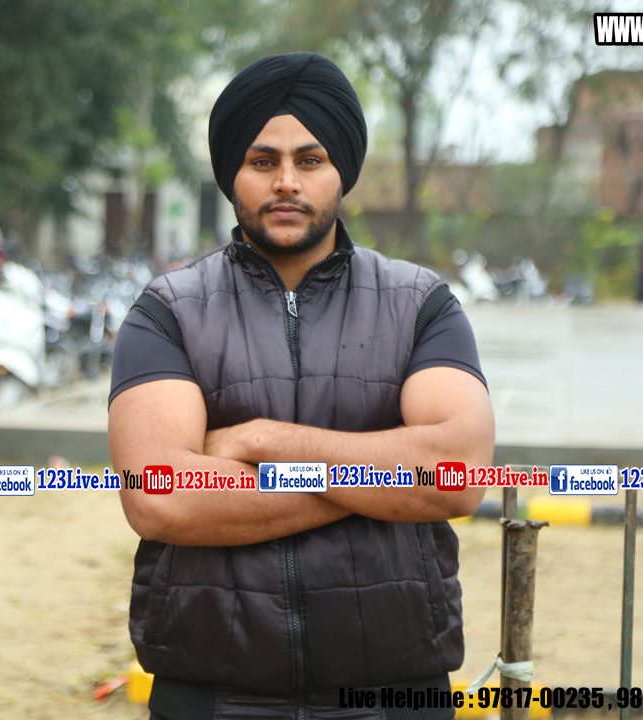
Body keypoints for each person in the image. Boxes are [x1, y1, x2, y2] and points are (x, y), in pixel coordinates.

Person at [108, 53, 495, 720]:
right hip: (211, 695)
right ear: (232, 173)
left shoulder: (420, 304)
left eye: (310, 160)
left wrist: (263, 442)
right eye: (263, 161)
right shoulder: (168, 311)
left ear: (341, 170)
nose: (286, 181)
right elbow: (161, 496)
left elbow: (456, 477)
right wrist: (381, 481)